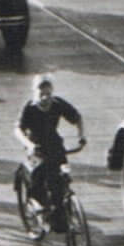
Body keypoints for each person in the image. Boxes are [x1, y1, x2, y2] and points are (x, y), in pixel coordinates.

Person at [15, 73, 85, 227]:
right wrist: (29, 145)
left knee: (61, 179)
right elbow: (18, 130)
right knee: (38, 179)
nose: (45, 98)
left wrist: (81, 137)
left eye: (48, 93)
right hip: (37, 148)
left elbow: (77, 117)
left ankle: (62, 210)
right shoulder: (29, 108)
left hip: (54, 145)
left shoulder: (57, 104)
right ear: (35, 92)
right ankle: (40, 210)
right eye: (41, 94)